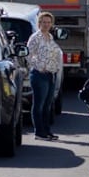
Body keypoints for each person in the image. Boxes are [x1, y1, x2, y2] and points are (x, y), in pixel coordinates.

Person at [26, 12, 65, 140]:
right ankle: (39, 132)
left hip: (51, 74)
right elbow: (28, 55)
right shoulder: (35, 37)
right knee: (39, 104)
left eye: (48, 22)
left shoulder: (50, 37)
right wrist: (39, 66)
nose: (46, 24)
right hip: (39, 75)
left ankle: (47, 130)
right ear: (39, 23)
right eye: (44, 22)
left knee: (48, 104)